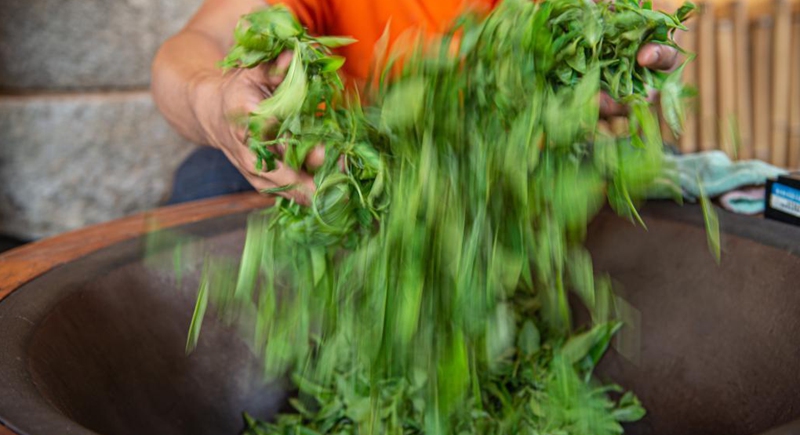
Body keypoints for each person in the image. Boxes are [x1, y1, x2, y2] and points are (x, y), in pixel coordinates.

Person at [152, 0, 682, 205]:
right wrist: (210, 100)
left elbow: (654, 23)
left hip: (507, 184)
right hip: (339, 181)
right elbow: (193, 49)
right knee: (205, 179)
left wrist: (622, 54)